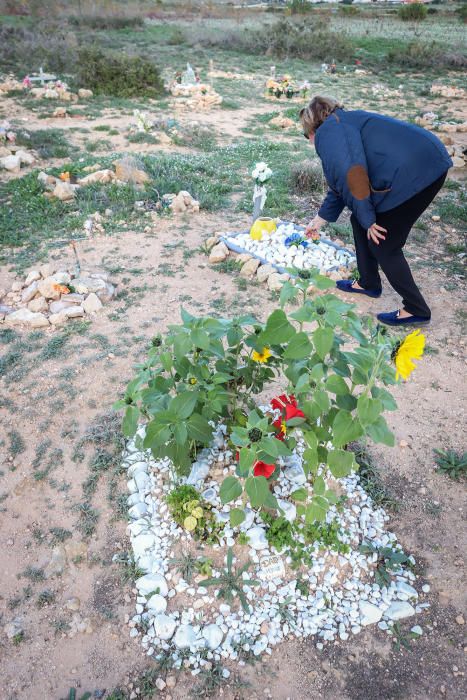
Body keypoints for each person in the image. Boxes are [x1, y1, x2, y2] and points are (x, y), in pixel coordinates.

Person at [300, 96, 452, 326]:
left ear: (312, 128)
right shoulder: (344, 121)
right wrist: (318, 221)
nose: (309, 140)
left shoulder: (328, 133)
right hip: (429, 160)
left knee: (384, 243)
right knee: (358, 220)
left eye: (306, 134)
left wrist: (370, 219)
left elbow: (352, 172)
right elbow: (340, 185)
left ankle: (416, 309)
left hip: (417, 173)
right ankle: (369, 283)